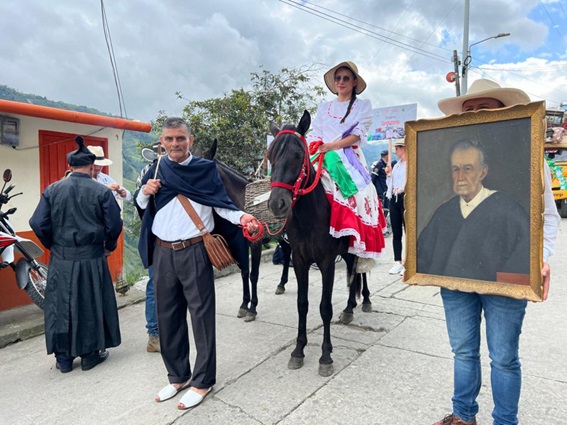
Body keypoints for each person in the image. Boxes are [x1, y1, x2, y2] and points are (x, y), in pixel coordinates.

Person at [431, 79, 561, 425]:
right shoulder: (446, 186)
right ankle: (463, 415)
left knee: (503, 357)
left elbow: (548, 218)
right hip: (456, 281)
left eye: (485, 109)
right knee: (463, 351)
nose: (476, 116)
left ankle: (505, 421)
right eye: (470, 111)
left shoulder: (530, 159)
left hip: (507, 278)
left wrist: (539, 258)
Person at [136, 117, 258, 410]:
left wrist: (242, 217)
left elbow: (221, 204)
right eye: (169, 139)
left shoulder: (205, 170)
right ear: (162, 142)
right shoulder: (155, 169)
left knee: (201, 317)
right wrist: (144, 192)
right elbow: (141, 208)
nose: (175, 144)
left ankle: (203, 381)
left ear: (189, 140)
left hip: (195, 250)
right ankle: (177, 376)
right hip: (163, 251)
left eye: (180, 138)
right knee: (167, 317)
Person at [29, 136, 122, 373]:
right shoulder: (101, 192)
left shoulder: (52, 190)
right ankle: (90, 355)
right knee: (90, 302)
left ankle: (63, 359)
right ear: (91, 167)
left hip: (61, 257)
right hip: (92, 256)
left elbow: (37, 222)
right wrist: (108, 246)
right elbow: (114, 225)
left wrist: (54, 245)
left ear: (70, 166)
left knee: (61, 304)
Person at [307, 61, 386, 268]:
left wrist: (332, 146)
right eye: (338, 78)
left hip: (348, 155)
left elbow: (357, 135)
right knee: (297, 181)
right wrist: (314, 144)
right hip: (321, 151)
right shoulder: (324, 107)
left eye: (345, 78)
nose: (340, 82)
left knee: (357, 194)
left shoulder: (363, 106)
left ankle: (354, 236)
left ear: (354, 82)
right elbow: (316, 131)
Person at [418, 138, 531, 281]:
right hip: (454, 291)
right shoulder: (444, 213)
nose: (460, 177)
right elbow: (424, 256)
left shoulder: (507, 210)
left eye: (467, 169)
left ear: (483, 172)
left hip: (501, 295)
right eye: (455, 169)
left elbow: (523, 256)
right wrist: (410, 264)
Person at [134, 142, 161, 353]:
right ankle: (154, 334)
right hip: (155, 237)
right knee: (155, 286)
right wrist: (144, 191)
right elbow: (140, 203)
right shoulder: (152, 170)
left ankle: (160, 332)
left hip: (157, 235)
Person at [385, 139, 406, 275]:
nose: (395, 151)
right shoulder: (397, 165)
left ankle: (408, 262)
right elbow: (390, 184)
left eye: (397, 148)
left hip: (405, 198)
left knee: (408, 231)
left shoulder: (410, 164)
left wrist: (402, 189)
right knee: (396, 231)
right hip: (394, 198)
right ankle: (397, 261)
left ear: (404, 148)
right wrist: (388, 174)